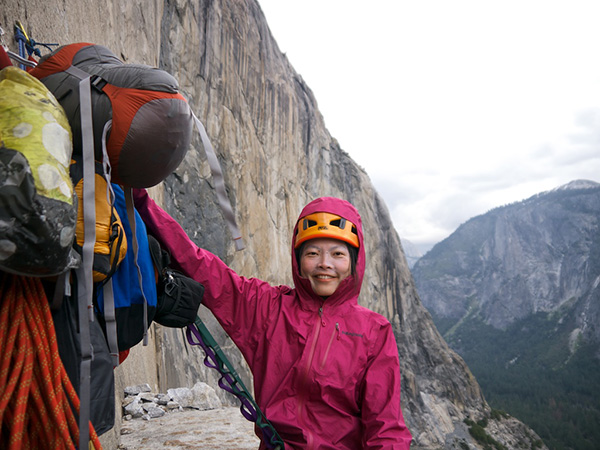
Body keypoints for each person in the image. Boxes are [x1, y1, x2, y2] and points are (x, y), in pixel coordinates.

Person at [133, 191, 412, 449]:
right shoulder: (268, 308)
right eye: (312, 253)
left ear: (353, 263)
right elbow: (204, 268)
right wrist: (139, 198)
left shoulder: (374, 332)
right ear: (298, 260)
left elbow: (385, 427)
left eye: (338, 254)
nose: (324, 263)